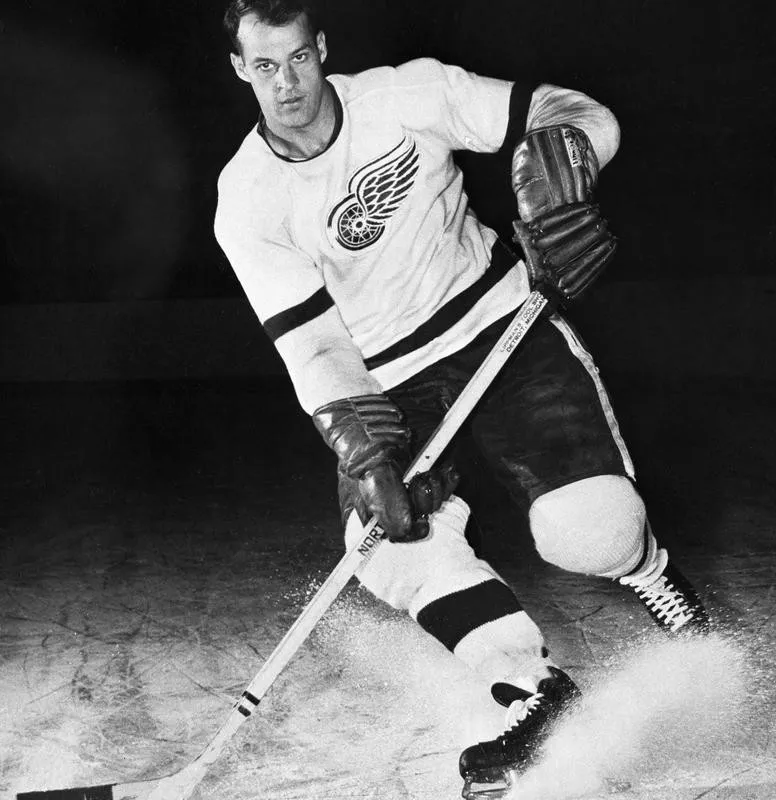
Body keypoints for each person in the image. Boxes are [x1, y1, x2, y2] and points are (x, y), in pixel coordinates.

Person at [214, 1, 710, 796]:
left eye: (300, 58)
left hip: (500, 328)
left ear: (323, 49)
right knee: (385, 549)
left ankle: (648, 569)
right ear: (241, 68)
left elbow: (569, 109)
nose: (289, 84)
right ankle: (531, 688)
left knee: (591, 533)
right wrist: (367, 450)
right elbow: (311, 340)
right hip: (390, 380)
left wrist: (564, 160)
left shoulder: (408, 94)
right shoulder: (246, 197)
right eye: (266, 66)